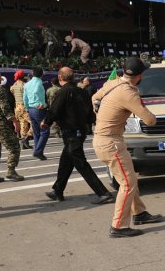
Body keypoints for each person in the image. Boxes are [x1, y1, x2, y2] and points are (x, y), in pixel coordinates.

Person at [92, 57, 163, 238]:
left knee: (129, 179)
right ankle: (119, 227)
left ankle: (139, 213)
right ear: (139, 76)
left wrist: (100, 111)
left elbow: (94, 98)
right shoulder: (129, 93)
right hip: (111, 143)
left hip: (104, 140)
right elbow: (150, 120)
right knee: (128, 183)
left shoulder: (112, 83)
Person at [42, 67, 114, 205]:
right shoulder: (82, 91)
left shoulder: (63, 92)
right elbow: (90, 113)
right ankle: (58, 190)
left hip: (71, 132)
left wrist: (46, 122)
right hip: (80, 130)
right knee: (66, 162)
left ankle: (103, 193)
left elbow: (55, 110)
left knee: (80, 163)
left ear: (60, 77)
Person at [23, 67, 50, 160]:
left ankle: (38, 151)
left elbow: (25, 98)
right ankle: (38, 151)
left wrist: (27, 108)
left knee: (36, 132)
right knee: (45, 131)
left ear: (32, 73)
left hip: (30, 109)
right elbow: (40, 95)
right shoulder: (39, 83)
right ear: (41, 74)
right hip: (39, 109)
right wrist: (43, 104)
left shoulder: (27, 84)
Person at [10, 69, 32, 149]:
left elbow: (12, 92)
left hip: (17, 108)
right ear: (23, 76)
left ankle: (24, 144)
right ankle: (26, 139)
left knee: (23, 125)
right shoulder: (25, 85)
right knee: (34, 123)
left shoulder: (13, 86)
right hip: (24, 106)